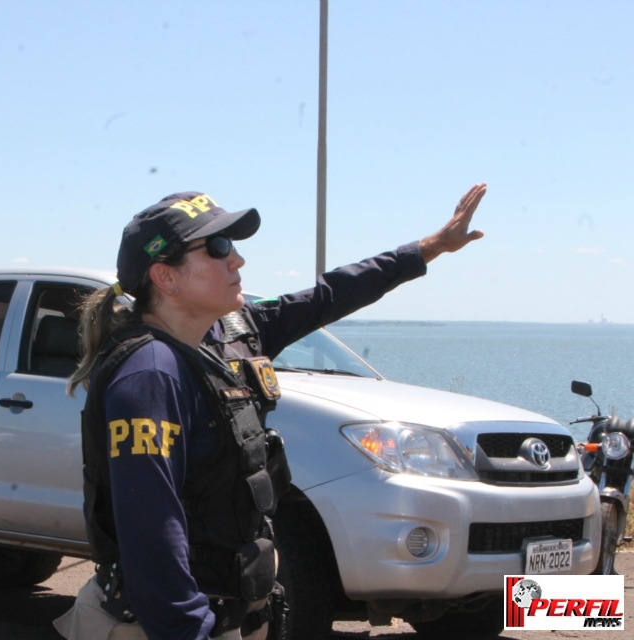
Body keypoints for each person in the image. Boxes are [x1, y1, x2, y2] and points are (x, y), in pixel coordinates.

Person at [53, 185, 487, 640]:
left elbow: (330, 295)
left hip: (233, 614)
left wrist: (430, 248)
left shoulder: (232, 335)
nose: (236, 259)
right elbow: (150, 533)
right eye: (218, 248)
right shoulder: (149, 374)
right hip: (166, 627)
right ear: (166, 277)